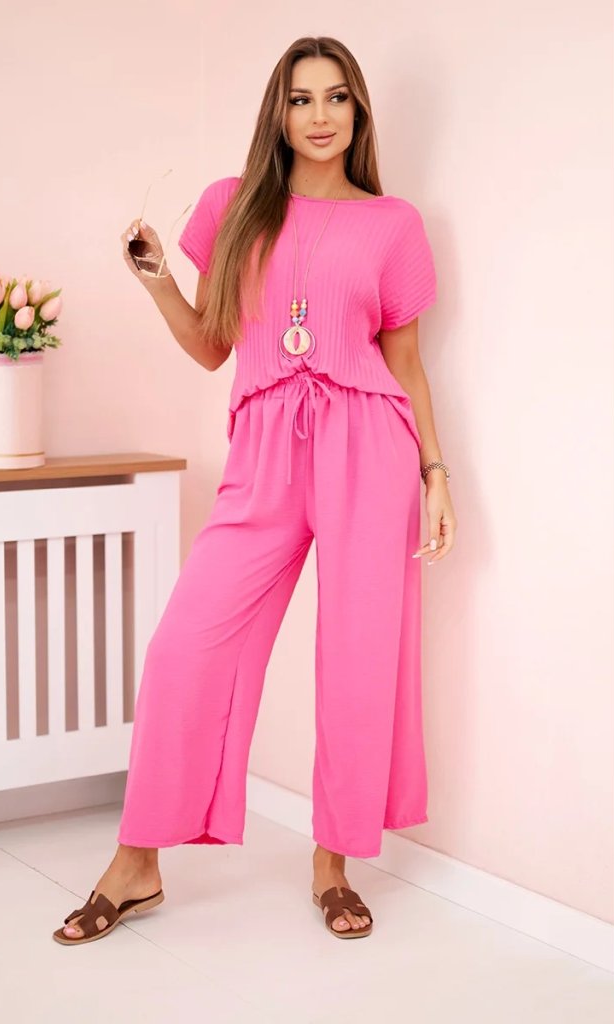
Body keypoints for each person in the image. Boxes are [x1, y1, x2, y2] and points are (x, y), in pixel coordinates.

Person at [53, 35, 457, 946]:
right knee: (186, 645)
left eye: (337, 97)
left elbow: (407, 365)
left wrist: (435, 473)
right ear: (278, 112)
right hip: (266, 448)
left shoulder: (393, 224)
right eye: (302, 99)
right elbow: (211, 344)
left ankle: (333, 864)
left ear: (358, 111)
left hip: (370, 449)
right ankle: (137, 862)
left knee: (358, 661)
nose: (320, 116)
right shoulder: (232, 205)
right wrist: (158, 278)